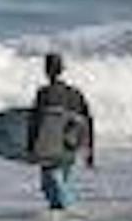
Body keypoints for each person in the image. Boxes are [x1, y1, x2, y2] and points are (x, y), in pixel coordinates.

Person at [27, 53, 94, 211]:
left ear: (46, 70)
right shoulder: (75, 94)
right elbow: (88, 121)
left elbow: (35, 121)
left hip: (49, 146)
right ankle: (61, 216)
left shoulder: (43, 93)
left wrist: (30, 148)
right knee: (61, 182)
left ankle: (67, 211)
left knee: (51, 184)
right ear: (62, 70)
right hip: (70, 146)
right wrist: (89, 151)